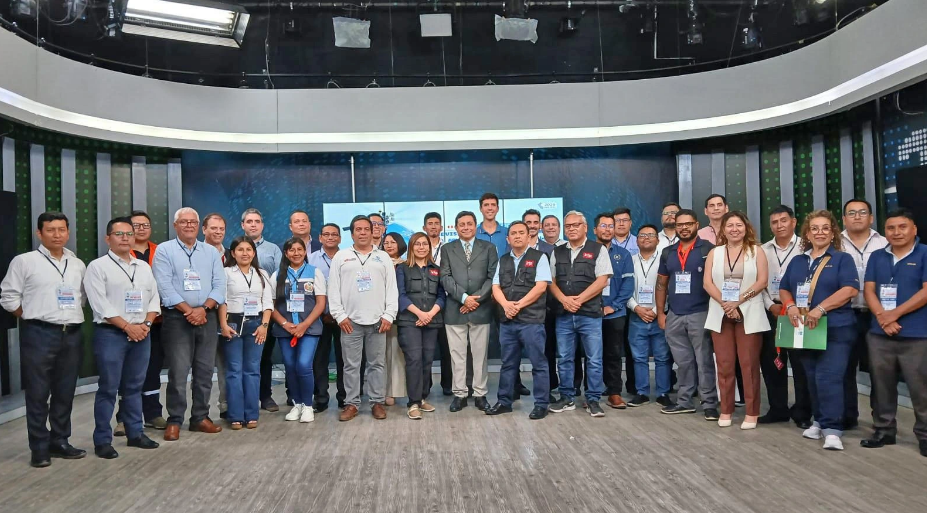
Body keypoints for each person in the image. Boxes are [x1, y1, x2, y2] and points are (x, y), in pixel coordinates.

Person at [1, 212, 87, 467]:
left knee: (65, 391)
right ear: (39, 233)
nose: (57, 235)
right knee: (38, 393)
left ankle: (60, 441)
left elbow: (81, 298)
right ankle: (39, 448)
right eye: (51, 230)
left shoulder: (77, 264)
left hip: (71, 333)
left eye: (62, 229)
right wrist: (31, 316)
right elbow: (8, 297)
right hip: (39, 333)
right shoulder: (24, 261)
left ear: (68, 232)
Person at [779, 210, 859, 451]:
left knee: (829, 377)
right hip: (806, 329)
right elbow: (784, 288)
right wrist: (790, 306)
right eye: (814, 228)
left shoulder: (842, 259)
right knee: (812, 377)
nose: (820, 232)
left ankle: (833, 429)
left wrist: (820, 309)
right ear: (807, 233)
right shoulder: (798, 261)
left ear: (833, 232)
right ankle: (819, 421)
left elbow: (849, 290)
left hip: (836, 329)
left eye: (825, 228)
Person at [85, 217, 162, 459]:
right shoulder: (97, 267)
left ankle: (135, 433)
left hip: (142, 333)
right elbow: (100, 305)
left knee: (135, 387)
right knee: (109, 388)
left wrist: (146, 324)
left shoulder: (143, 267)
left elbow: (154, 298)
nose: (125, 238)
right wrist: (128, 327)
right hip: (112, 334)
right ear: (108, 238)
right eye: (119, 234)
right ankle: (102, 440)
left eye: (129, 234)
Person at [152, 207, 227, 442]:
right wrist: (189, 310)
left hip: (207, 317)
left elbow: (220, 285)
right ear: (175, 225)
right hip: (177, 319)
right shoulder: (165, 250)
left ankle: (200, 417)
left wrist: (203, 309)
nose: (189, 226)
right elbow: (164, 286)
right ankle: (175, 420)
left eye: (193, 222)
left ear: (198, 226)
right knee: (178, 371)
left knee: (204, 371)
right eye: (183, 222)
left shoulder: (211, 252)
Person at [861, 208, 927, 457]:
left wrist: (894, 314)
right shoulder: (877, 256)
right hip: (880, 334)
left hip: (917, 335)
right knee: (881, 386)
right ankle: (884, 430)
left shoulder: (924, 253)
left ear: (914, 229)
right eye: (891, 228)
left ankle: (925, 435)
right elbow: (869, 290)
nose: (896, 232)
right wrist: (882, 317)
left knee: (921, 388)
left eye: (902, 227)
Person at [704, 212, 770, 429]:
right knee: (724, 365)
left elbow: (762, 281)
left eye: (739, 225)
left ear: (746, 227)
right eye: (730, 225)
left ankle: (751, 412)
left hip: (749, 312)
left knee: (749, 365)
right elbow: (707, 283)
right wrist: (726, 304)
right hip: (721, 313)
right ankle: (726, 410)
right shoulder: (715, 253)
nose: (734, 229)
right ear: (723, 229)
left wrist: (738, 301)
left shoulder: (756, 251)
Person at [329, 215, 399, 421]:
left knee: (377, 364)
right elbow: (333, 289)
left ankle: (377, 402)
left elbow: (391, 289)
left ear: (372, 232)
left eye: (366, 229)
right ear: (352, 234)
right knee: (351, 365)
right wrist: (340, 316)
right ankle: (352, 403)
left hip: (378, 321)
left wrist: (389, 315)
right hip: (349, 322)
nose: (362, 232)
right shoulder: (341, 257)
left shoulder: (383, 257)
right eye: (358, 229)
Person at [655, 209, 720, 420]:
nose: (684, 228)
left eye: (688, 224)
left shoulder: (708, 250)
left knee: (704, 361)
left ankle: (709, 403)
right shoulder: (668, 252)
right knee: (683, 362)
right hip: (674, 314)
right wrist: (661, 313)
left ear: (696, 225)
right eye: (680, 224)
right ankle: (684, 402)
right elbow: (661, 284)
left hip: (701, 312)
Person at [548, 211, 613, 417]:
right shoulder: (557, 251)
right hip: (564, 313)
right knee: (564, 358)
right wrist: (565, 300)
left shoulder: (598, 249)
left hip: (590, 314)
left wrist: (579, 300)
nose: (572, 229)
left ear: (585, 227)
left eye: (576, 225)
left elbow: (602, 280)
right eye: (568, 226)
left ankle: (593, 399)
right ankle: (566, 397)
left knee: (594, 359)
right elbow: (551, 282)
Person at [487, 222, 552, 419]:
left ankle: (541, 404)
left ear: (528, 236)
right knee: (508, 363)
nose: (517, 236)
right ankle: (504, 401)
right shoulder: (503, 260)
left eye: (521, 233)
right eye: (513, 233)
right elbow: (496, 287)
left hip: (531, 320)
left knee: (538, 363)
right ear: (508, 239)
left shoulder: (540, 257)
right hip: (508, 321)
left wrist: (518, 305)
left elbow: (541, 287)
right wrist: (506, 305)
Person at [114, 210, 167, 433]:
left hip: (156, 321)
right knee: (128, 372)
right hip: (127, 323)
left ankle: (153, 414)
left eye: (146, 225)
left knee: (153, 369)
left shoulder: (160, 251)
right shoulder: (120, 253)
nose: (141, 229)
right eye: (136, 225)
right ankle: (124, 418)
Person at [759, 205, 812, 427]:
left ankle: (802, 412)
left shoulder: (806, 248)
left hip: (798, 312)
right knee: (772, 363)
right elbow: (758, 282)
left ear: (793, 222)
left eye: (783, 220)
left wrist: (795, 306)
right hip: (771, 311)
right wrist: (770, 305)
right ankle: (777, 409)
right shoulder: (762, 250)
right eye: (774, 222)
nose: (779, 225)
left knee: (800, 364)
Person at [440, 211, 499, 413]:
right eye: (462, 224)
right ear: (456, 228)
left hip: (481, 309)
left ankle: (480, 394)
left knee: (480, 355)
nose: (466, 227)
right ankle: (460, 394)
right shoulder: (447, 249)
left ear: (476, 226)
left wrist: (476, 300)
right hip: (455, 309)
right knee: (457, 356)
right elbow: (445, 277)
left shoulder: (489, 248)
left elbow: (492, 277)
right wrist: (464, 298)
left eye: (469, 224)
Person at [840, 198, 888, 430]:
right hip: (845, 313)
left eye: (862, 212)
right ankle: (847, 417)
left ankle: (881, 421)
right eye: (851, 213)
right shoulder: (835, 243)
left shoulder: (884, 243)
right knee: (844, 368)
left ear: (871, 217)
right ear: (844, 219)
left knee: (879, 370)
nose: (857, 216)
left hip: (877, 315)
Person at [218, 236, 274, 430]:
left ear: (254, 252)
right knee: (234, 370)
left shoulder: (262, 274)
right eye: (240, 250)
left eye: (248, 249)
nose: (245, 253)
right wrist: (223, 325)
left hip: (256, 324)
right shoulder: (225, 272)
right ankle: (235, 415)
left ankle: (251, 414)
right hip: (232, 323)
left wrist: (264, 326)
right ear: (233, 253)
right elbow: (222, 300)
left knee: (252, 370)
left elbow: (268, 303)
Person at [270, 238, 327, 424]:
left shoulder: (314, 273)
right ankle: (297, 404)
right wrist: (285, 324)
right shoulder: (277, 275)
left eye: (299, 249)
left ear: (305, 252)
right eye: (292, 250)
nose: (296, 253)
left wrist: (304, 325)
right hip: (285, 329)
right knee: (290, 366)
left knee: (303, 365)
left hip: (309, 328)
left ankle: (308, 406)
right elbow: (270, 305)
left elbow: (321, 303)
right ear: (286, 253)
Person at [240, 208, 288, 414]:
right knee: (241, 359)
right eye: (249, 221)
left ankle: (265, 396)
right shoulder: (236, 246)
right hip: (239, 311)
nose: (253, 225)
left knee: (264, 356)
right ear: (242, 225)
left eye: (257, 221)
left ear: (262, 225)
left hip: (265, 310)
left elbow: (279, 277)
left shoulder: (273, 249)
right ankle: (242, 398)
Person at [396, 232, 447, 419]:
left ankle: (422, 397)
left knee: (427, 360)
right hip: (410, 321)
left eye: (424, 244)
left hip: (432, 321)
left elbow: (441, 296)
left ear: (429, 247)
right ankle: (413, 403)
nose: (421, 247)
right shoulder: (403, 269)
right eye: (417, 244)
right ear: (411, 247)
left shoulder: (436, 269)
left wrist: (430, 314)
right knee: (414, 360)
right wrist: (420, 314)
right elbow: (400, 296)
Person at [626, 225, 673, 408]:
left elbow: (669, 288)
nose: (646, 238)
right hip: (636, 315)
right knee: (638, 357)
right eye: (642, 235)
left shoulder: (665, 261)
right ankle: (642, 392)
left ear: (658, 240)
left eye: (650, 235)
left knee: (662, 357)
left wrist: (656, 310)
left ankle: (663, 393)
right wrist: (636, 308)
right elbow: (624, 288)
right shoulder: (629, 261)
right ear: (637, 240)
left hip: (659, 315)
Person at [593, 213, 634, 409]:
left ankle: (614, 392)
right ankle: (592, 393)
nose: (608, 229)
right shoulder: (587, 252)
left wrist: (613, 306)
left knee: (614, 354)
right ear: (595, 230)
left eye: (611, 226)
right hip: (591, 312)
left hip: (615, 313)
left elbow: (628, 285)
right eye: (603, 226)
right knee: (592, 355)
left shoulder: (623, 255)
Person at [307, 223, 346, 411]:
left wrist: (338, 312)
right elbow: (307, 290)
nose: (330, 237)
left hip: (344, 318)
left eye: (334, 234)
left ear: (340, 238)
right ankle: (321, 399)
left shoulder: (348, 258)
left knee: (344, 359)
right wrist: (322, 312)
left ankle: (345, 398)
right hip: (319, 317)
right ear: (320, 238)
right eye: (326, 234)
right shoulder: (310, 259)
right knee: (319, 359)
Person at [201, 212, 232, 419]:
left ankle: (226, 406)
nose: (218, 232)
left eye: (221, 229)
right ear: (204, 229)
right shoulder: (196, 254)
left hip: (230, 316)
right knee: (202, 366)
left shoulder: (232, 254)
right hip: (203, 314)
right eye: (213, 228)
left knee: (227, 364)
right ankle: (200, 412)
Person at [423, 211, 453, 396]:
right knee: (425, 348)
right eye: (430, 223)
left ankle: (448, 384)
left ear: (441, 227)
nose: (433, 226)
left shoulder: (448, 248)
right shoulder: (418, 247)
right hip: (424, 302)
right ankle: (424, 386)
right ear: (424, 227)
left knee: (447, 346)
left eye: (436, 223)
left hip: (446, 302)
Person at [382, 232, 408, 406]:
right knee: (381, 356)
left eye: (393, 242)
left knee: (396, 354)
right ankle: (381, 391)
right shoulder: (378, 263)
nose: (389, 245)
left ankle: (394, 391)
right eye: (386, 242)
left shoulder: (406, 265)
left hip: (401, 316)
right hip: (380, 314)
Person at [476, 192, 509, 257]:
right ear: (480, 209)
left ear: (497, 208)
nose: (490, 208)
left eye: (493, 205)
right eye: (486, 205)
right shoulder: (474, 234)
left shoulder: (508, 232)